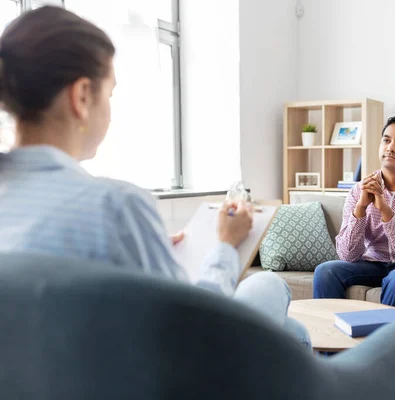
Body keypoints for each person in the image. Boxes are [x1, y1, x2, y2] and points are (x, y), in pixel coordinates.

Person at [0, 6, 309, 348]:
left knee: (290, 332)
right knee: (270, 290)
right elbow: (192, 328)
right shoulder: (114, 206)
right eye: (111, 93)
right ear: (82, 96)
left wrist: (148, 243)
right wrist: (225, 245)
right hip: (166, 375)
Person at [313, 116, 395, 313]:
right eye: (386, 140)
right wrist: (360, 208)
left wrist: (385, 210)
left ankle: (385, 343)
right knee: (326, 271)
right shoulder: (359, 190)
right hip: (375, 263)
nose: (391, 148)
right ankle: (330, 339)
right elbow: (347, 255)